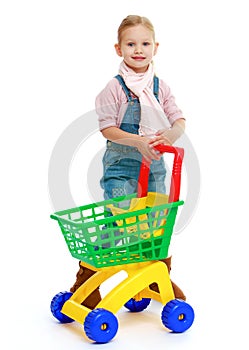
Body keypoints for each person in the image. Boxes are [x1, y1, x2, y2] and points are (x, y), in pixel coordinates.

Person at [70, 15, 186, 307]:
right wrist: (138, 141)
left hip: (155, 165)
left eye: (145, 43)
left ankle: (156, 274)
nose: (138, 49)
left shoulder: (160, 87)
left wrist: (171, 134)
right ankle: (87, 279)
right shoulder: (115, 87)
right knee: (118, 218)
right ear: (118, 48)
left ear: (155, 47)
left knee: (156, 222)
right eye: (130, 43)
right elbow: (107, 128)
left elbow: (179, 119)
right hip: (121, 166)